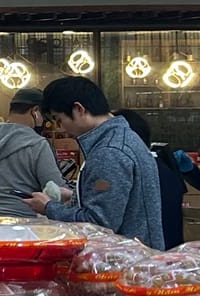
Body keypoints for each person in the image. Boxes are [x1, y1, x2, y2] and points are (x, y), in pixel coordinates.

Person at [24, 78, 165, 248]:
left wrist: (48, 207)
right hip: (135, 255)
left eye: (59, 119)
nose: (60, 128)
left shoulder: (109, 152)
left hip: (122, 261)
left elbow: (99, 224)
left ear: (78, 109)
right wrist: (75, 195)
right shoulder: (123, 138)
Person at [0, 87, 63, 218]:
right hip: (23, 222)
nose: (44, 122)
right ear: (35, 111)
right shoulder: (37, 144)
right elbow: (55, 190)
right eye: (44, 117)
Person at [119, 108, 190, 249]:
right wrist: (191, 171)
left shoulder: (140, 167)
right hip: (170, 252)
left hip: (150, 253)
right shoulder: (162, 166)